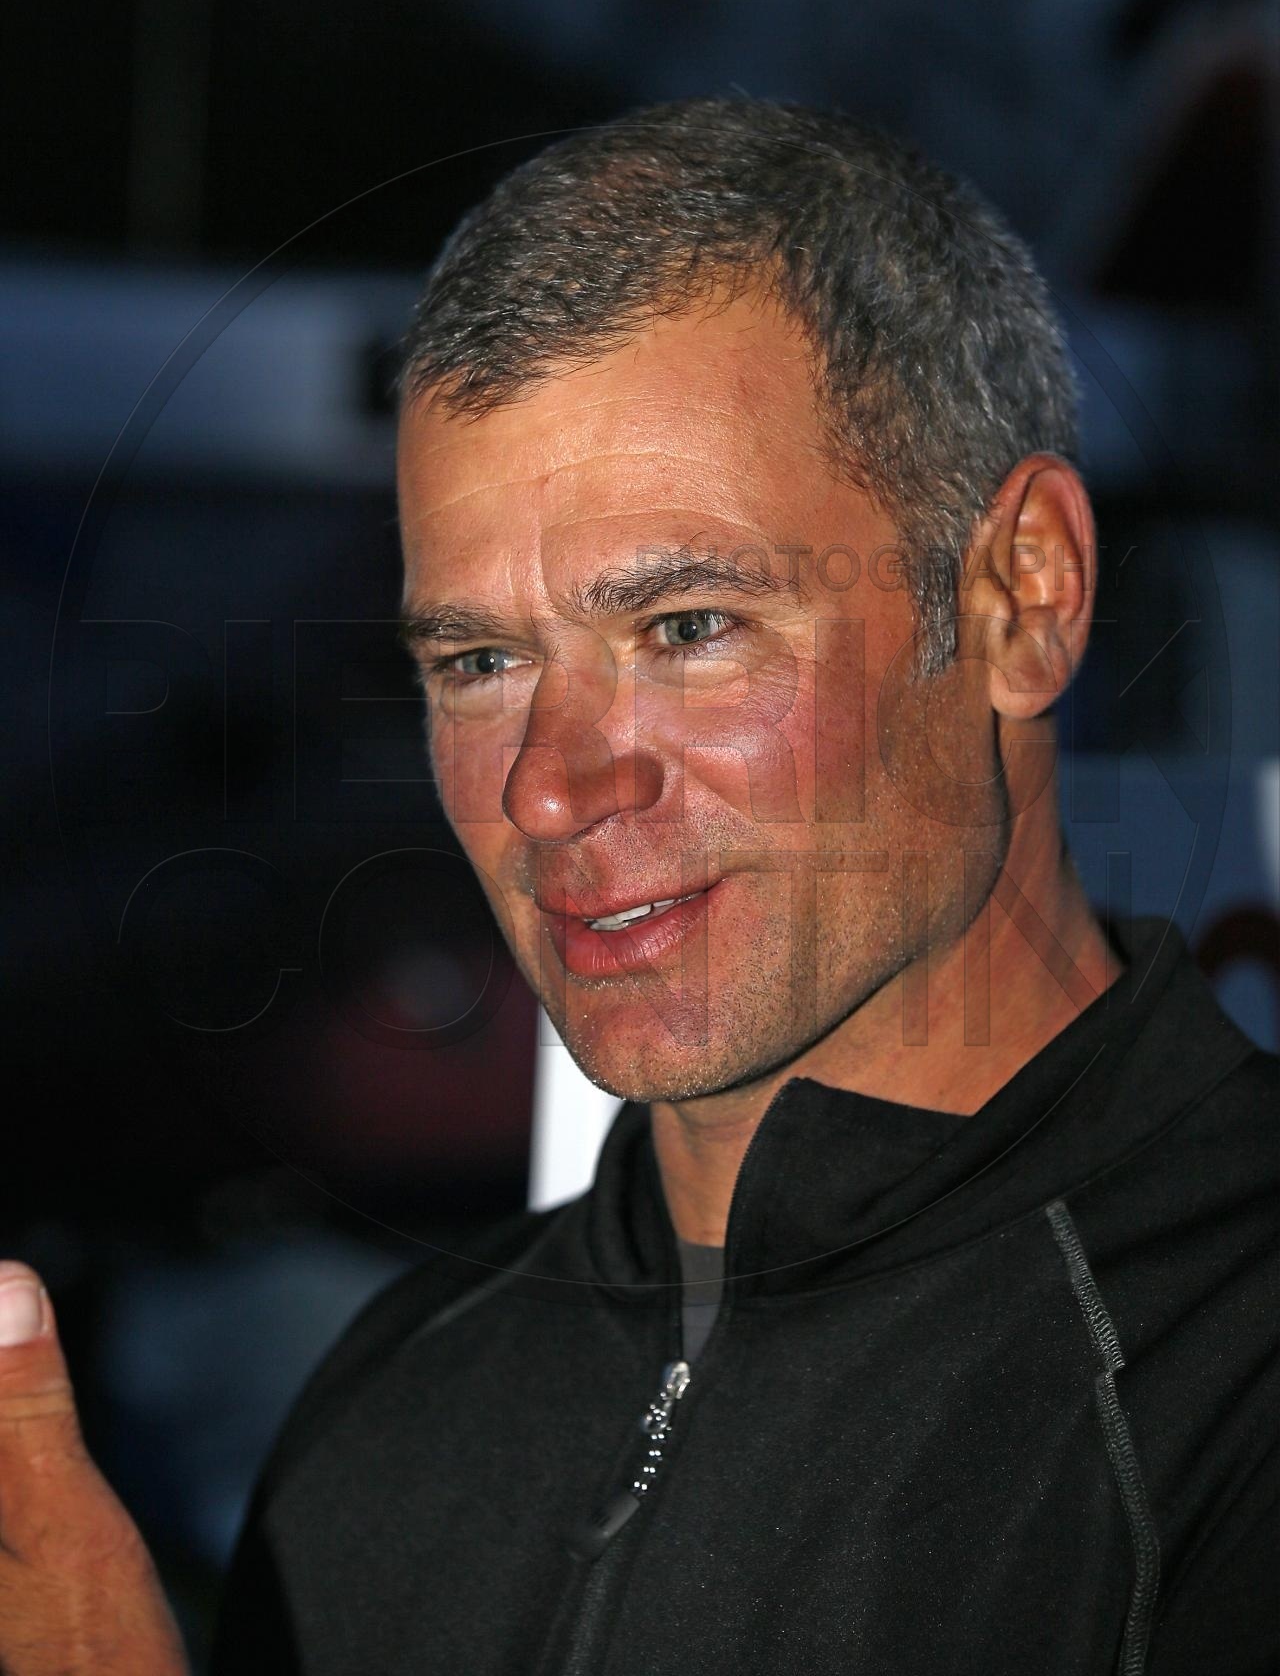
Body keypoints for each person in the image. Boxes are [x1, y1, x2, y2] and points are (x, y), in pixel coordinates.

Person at [1, 100, 1275, 1674]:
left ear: (1024, 598)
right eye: (479, 662)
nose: (547, 787)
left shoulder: (1230, 1378)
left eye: (687, 630)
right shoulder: (393, 1421)